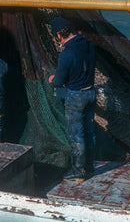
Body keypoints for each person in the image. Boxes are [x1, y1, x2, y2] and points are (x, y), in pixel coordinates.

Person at [48, 17, 97, 181]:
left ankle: (77, 170)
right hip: (91, 93)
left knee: (76, 135)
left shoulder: (66, 54)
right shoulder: (90, 46)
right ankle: (89, 167)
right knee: (89, 132)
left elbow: (59, 81)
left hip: (76, 96)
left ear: (59, 36)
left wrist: (52, 79)